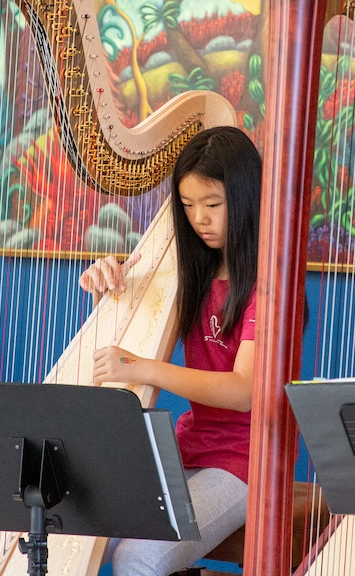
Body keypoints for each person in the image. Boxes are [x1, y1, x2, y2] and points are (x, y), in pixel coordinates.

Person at [78, 126, 261, 576]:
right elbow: (127, 327)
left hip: (246, 461)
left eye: (213, 204)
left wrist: (146, 368)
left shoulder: (268, 284)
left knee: (137, 556)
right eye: (188, 205)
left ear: (245, 197)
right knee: (74, 526)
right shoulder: (186, 267)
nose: (200, 218)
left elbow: (244, 391)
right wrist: (107, 285)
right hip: (188, 444)